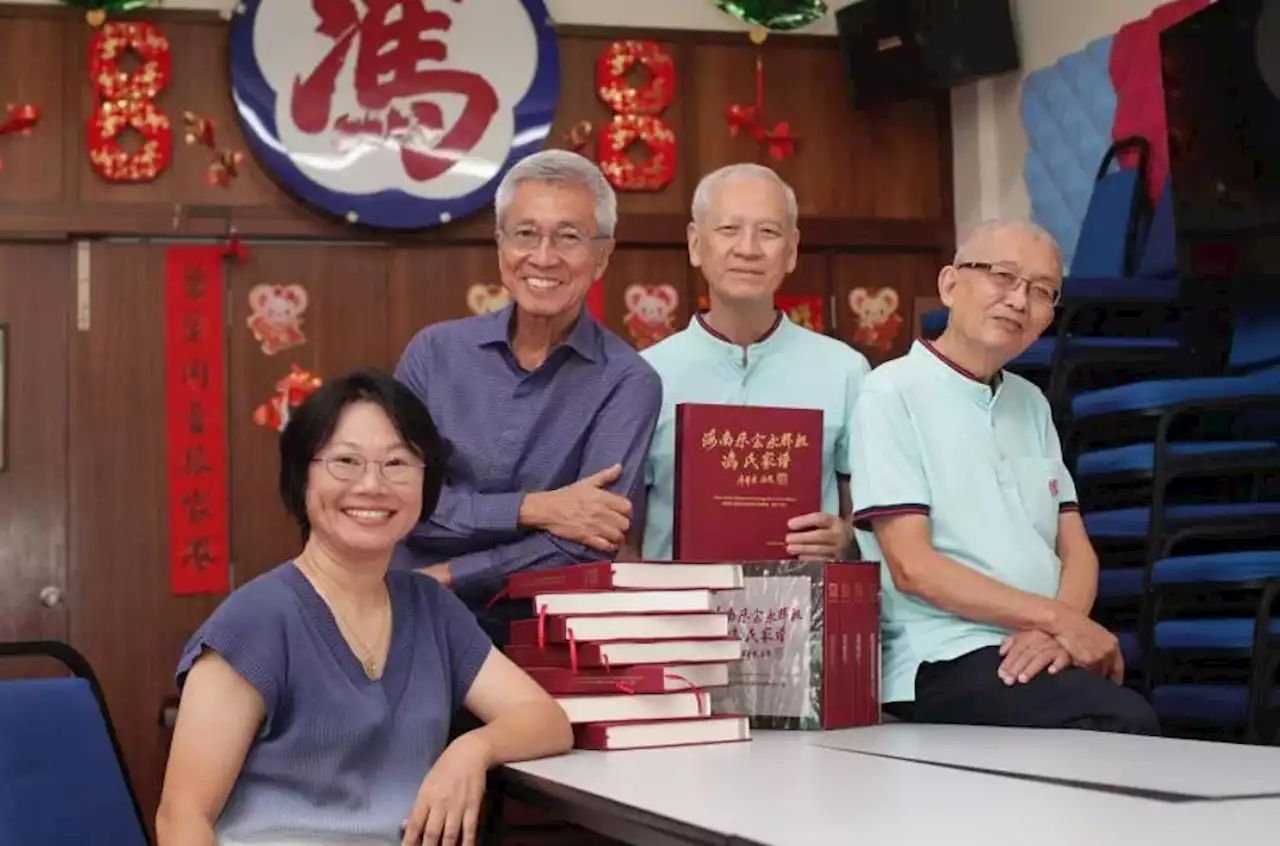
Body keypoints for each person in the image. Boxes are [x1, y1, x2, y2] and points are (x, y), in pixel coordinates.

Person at [156, 370, 573, 846]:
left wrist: (472, 749)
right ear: (302, 478)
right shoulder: (254, 620)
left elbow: (546, 720)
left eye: (397, 463)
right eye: (346, 462)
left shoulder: (433, 609)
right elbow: (181, 820)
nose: (372, 485)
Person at [848, 219, 1161, 734]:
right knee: (1120, 720)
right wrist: (1058, 621)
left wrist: (1059, 630)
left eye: (1042, 292)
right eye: (1003, 276)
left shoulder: (1030, 401)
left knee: (1138, 706)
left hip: (1033, 642)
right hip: (943, 652)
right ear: (950, 284)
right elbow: (912, 567)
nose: (1020, 301)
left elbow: (1075, 547)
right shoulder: (890, 393)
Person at [392, 149, 663, 638]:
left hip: (538, 640)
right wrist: (535, 509)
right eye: (525, 234)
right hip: (405, 627)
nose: (543, 257)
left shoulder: (629, 382)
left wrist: (447, 576)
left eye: (569, 237)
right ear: (500, 248)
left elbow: (586, 546)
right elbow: (397, 501)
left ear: (602, 257)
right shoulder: (433, 353)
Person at [630, 163, 870, 561]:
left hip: (804, 613)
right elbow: (625, 541)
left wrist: (846, 540)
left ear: (791, 250)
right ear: (695, 243)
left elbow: (867, 519)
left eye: (768, 232)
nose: (748, 249)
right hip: (678, 616)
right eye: (728, 230)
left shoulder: (845, 371)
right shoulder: (645, 375)